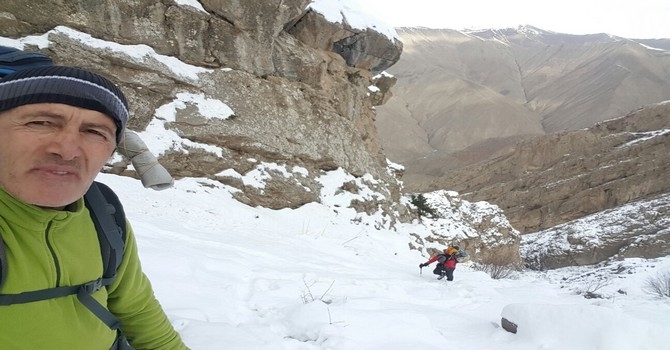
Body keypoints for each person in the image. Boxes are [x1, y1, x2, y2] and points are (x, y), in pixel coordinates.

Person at [0, 64, 188, 349]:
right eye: (41, 123)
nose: (66, 149)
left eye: (94, 131)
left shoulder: (103, 212)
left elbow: (136, 308)